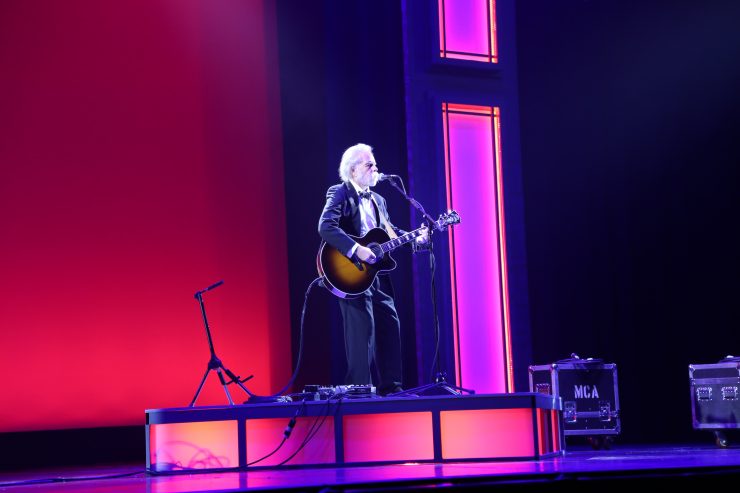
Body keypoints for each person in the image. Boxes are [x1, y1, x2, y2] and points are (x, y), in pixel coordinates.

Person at [318, 143, 427, 396]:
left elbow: (389, 232)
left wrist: (416, 238)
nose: (375, 169)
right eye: (369, 165)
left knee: (390, 323)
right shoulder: (340, 192)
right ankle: (361, 391)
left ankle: (393, 387)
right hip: (351, 272)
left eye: (375, 165)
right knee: (362, 330)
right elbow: (326, 226)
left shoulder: (379, 200)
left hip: (377, 274)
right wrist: (356, 249)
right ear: (353, 170)